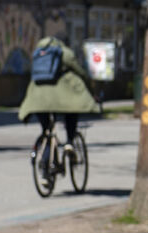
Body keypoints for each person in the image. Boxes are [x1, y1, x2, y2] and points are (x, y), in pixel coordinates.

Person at [19, 36, 98, 181]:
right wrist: (89, 85)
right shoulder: (64, 52)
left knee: (47, 131)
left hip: (38, 98)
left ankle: (45, 169)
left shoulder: (38, 53)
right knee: (71, 112)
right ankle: (69, 142)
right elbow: (79, 71)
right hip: (62, 96)